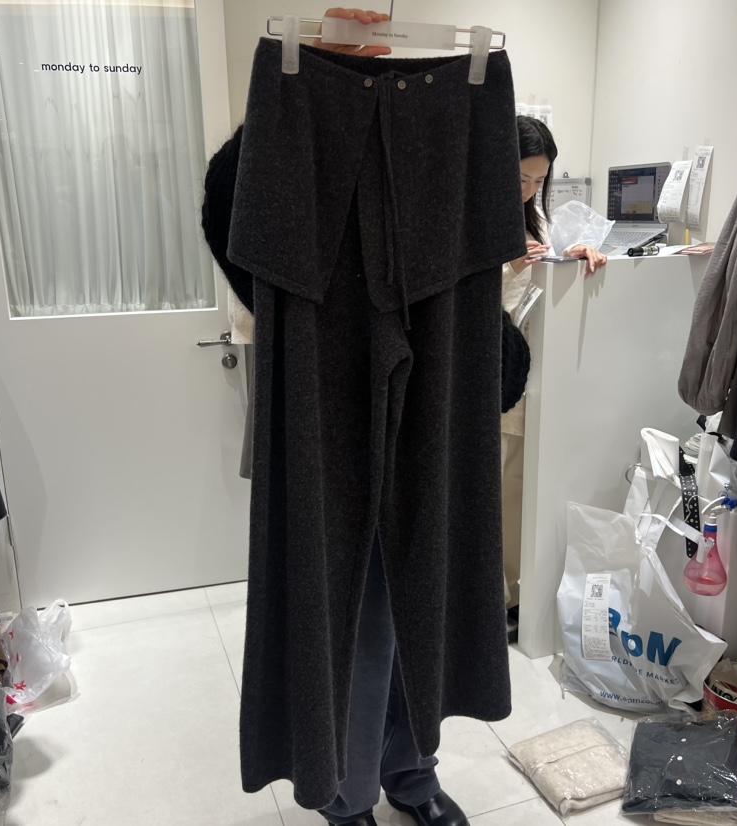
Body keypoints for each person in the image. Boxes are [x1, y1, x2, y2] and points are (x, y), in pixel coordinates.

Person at [201, 8, 530, 826]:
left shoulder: (460, 109)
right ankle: (346, 794)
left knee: (428, 579)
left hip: (436, 336)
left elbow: (480, 299)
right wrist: (301, 94)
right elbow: (236, 230)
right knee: (348, 604)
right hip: (323, 352)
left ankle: (411, 773)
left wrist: (486, 357)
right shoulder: (278, 123)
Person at [501, 116, 607, 642]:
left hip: (534, 380)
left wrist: (574, 256)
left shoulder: (533, 222)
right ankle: (497, 599)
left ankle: (516, 597)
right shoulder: (472, 219)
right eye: (522, 177)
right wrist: (511, 269)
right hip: (497, 379)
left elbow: (548, 272)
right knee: (500, 494)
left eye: (539, 180)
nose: (530, 189)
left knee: (520, 492)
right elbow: (455, 305)